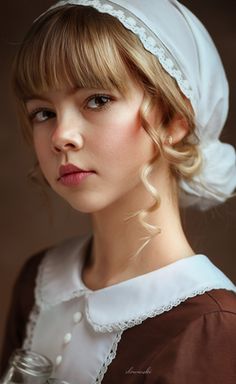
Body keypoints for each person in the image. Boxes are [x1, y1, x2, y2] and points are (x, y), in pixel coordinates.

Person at [1, 0, 236, 383]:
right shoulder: (39, 281)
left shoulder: (211, 329)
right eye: (43, 112)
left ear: (173, 120)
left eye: (97, 100)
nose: (61, 136)